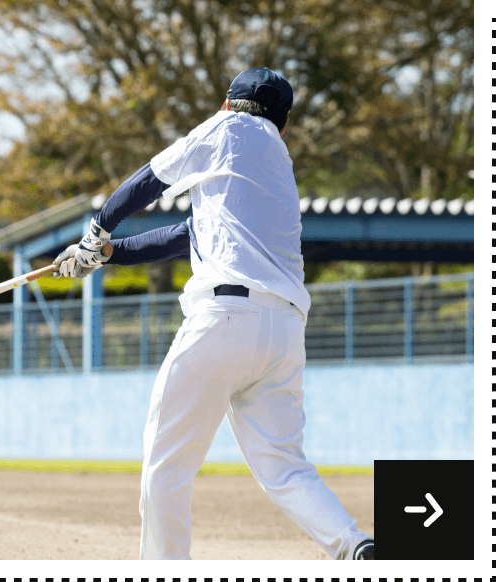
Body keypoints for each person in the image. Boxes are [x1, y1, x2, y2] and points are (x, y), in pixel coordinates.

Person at [52, 68, 375, 560]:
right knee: (285, 468)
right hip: (284, 332)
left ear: (229, 103)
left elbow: (148, 180)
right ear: (283, 123)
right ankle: (355, 545)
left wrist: (96, 230)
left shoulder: (225, 128)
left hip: (224, 320)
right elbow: (186, 234)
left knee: (167, 465)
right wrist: (108, 253)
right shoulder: (275, 166)